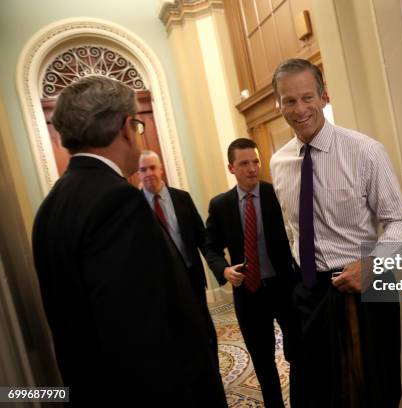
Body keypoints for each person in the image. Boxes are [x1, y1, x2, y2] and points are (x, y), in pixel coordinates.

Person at [32, 76, 227, 407]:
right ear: (125, 127)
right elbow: (142, 329)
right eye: (137, 125)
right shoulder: (117, 200)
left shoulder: (49, 207)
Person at [269, 59, 402, 407]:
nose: (300, 109)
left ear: (323, 97)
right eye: (289, 101)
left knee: (373, 395)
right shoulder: (278, 163)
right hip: (310, 293)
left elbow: (401, 222)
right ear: (280, 105)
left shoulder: (365, 152)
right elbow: (294, 231)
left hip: (367, 287)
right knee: (316, 395)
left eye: (307, 97)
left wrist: (372, 266)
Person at [204, 138, 300, 408]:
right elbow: (210, 246)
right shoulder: (220, 205)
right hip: (249, 293)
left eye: (255, 161)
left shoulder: (276, 195)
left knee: (298, 353)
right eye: (244, 163)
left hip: (284, 288)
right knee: (262, 359)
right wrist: (223, 269)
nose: (252, 168)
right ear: (231, 168)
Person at [137, 150, 219, 362]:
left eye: (152, 167)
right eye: (143, 169)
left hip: (191, 277)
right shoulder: (134, 207)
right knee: (174, 332)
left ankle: (211, 370)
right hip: (159, 285)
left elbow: (203, 238)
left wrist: (219, 268)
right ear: (138, 173)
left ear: (161, 168)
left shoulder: (182, 198)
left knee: (203, 328)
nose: (148, 173)